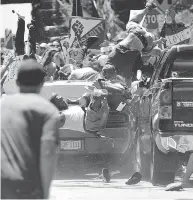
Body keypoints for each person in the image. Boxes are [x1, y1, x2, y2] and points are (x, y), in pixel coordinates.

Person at [1, 59, 62, 199]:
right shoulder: (47, 111)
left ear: (16, 82)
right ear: (42, 84)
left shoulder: (2, 105)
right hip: (26, 186)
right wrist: (45, 194)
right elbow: (48, 153)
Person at [106, 0, 165, 87]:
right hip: (138, 35)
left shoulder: (123, 66)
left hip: (145, 40)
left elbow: (128, 79)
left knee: (148, 51)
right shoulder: (114, 58)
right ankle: (147, 8)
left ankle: (147, 8)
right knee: (131, 22)